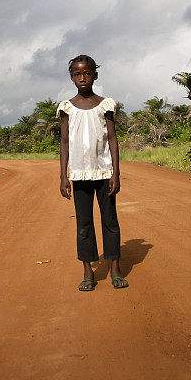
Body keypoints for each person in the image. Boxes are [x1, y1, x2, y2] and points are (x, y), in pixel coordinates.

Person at [57, 54, 128, 291]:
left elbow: (113, 139)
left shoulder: (105, 104)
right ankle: (88, 271)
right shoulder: (67, 107)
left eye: (87, 73)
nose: (82, 78)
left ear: (95, 75)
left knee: (110, 221)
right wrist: (63, 176)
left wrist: (116, 173)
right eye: (77, 74)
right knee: (84, 224)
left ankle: (115, 268)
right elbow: (65, 142)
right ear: (71, 78)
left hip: (104, 172)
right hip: (79, 175)